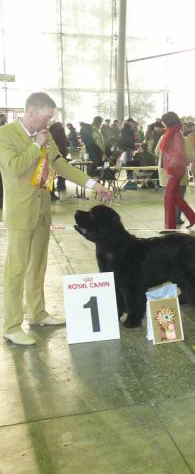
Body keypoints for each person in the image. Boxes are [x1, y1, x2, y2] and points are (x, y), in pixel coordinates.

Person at [0, 92, 111, 345]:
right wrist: (36, 145)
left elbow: (61, 166)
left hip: (42, 211)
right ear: (31, 112)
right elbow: (15, 167)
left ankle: (37, 313)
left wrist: (94, 184)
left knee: (38, 265)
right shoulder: (4, 135)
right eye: (46, 117)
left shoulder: (45, 135)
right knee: (15, 270)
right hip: (19, 213)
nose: (49, 122)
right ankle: (12, 326)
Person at [156, 111, 195, 230]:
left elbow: (178, 152)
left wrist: (173, 163)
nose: (163, 124)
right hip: (175, 170)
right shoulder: (174, 133)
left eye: (164, 122)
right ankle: (192, 217)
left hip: (174, 170)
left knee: (169, 197)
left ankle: (170, 227)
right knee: (175, 196)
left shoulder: (174, 134)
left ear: (168, 121)